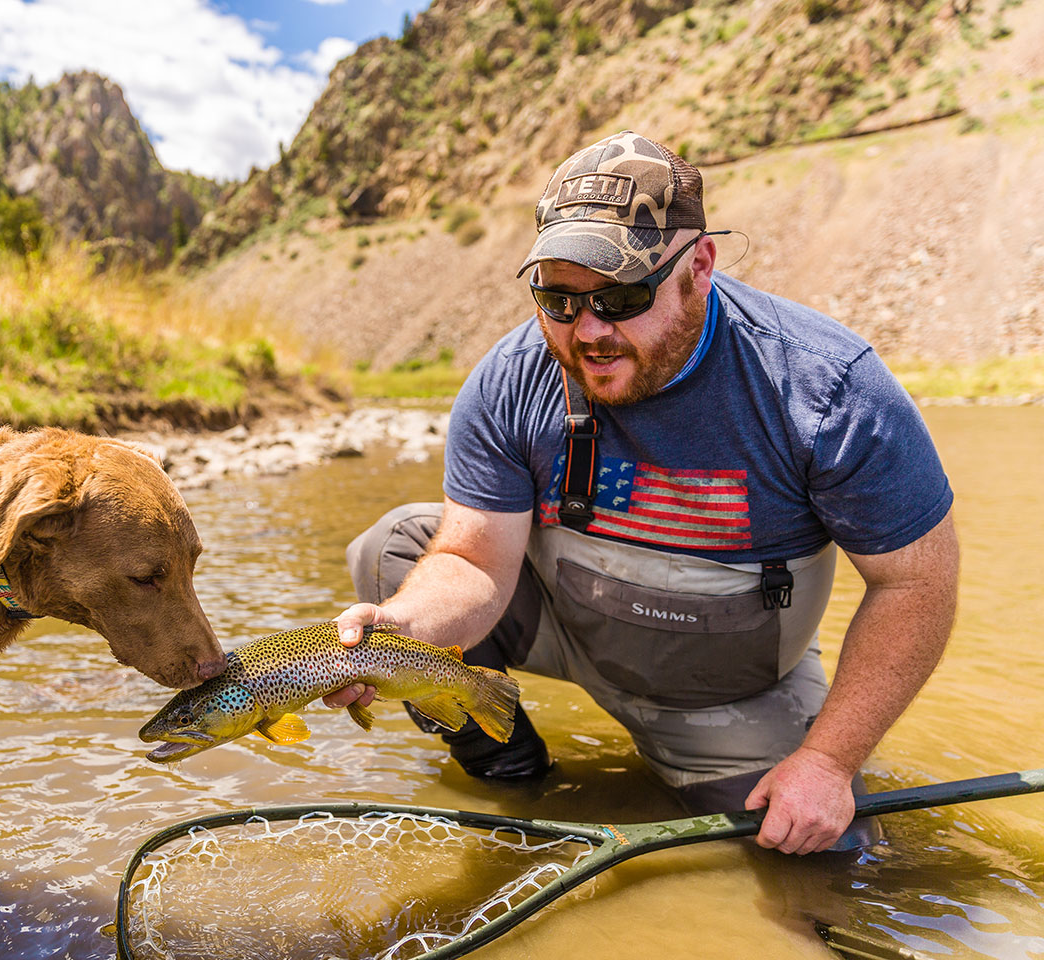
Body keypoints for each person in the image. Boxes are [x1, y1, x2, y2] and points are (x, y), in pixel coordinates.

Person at [325, 130, 959, 855]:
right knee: (395, 549)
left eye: (622, 297)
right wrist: (403, 633)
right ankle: (509, 773)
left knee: (827, 862)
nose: (588, 331)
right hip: (567, 630)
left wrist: (828, 762)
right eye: (557, 300)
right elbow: (472, 564)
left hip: (725, 695)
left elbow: (917, 583)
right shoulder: (508, 378)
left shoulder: (827, 389)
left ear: (701, 265)